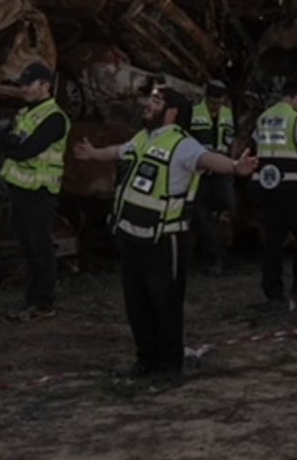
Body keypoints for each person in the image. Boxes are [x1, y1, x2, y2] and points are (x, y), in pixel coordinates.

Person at [74, 85, 257, 378]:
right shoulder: (143, 137)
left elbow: (208, 159)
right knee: (137, 304)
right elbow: (119, 151)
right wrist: (94, 154)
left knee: (165, 303)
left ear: (172, 112)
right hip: (132, 236)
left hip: (164, 239)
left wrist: (236, 166)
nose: (148, 104)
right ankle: (144, 359)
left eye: (156, 101)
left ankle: (169, 365)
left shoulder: (182, 144)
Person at [0, 62, 70, 322]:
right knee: (28, 247)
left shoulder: (54, 118)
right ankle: (34, 298)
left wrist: (11, 145)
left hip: (40, 192)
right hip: (21, 190)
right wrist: (10, 144)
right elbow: (2, 140)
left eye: (29, 85)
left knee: (40, 249)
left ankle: (43, 303)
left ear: (45, 86)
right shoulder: (25, 113)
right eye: (22, 85)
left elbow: (26, 148)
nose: (24, 90)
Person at [252, 82, 297, 306]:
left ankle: (273, 291)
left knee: (273, 241)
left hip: (267, 187)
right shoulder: (296, 119)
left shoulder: (263, 118)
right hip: (292, 188)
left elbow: (255, 148)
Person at [189, 80, 237, 277]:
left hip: (222, 170)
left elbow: (232, 138)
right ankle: (212, 256)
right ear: (206, 98)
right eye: (213, 101)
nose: (217, 106)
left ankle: (225, 250)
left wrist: (232, 162)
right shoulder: (193, 112)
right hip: (200, 171)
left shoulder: (227, 113)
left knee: (228, 206)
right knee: (200, 214)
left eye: (220, 102)